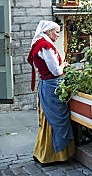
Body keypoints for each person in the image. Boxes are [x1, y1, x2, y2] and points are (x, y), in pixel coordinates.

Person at [27, 20, 75, 166]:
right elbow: (55, 71)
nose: (58, 35)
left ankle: (41, 152)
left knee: (47, 119)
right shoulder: (44, 46)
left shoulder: (39, 44)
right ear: (48, 32)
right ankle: (52, 155)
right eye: (56, 32)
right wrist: (63, 65)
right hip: (52, 86)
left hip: (46, 84)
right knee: (56, 119)